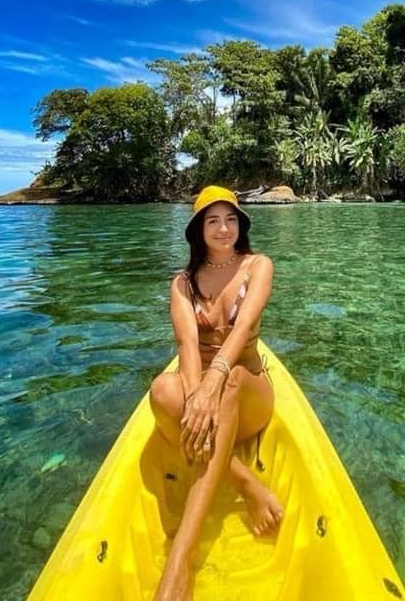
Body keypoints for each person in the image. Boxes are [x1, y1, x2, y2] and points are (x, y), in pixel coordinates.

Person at [149, 186, 284, 601]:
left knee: (228, 382)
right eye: (212, 221)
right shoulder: (183, 284)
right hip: (207, 395)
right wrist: (195, 401)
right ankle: (243, 479)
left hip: (249, 390)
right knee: (160, 391)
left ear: (240, 225)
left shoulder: (258, 265)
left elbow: (241, 331)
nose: (223, 228)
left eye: (230, 219)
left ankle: (179, 565)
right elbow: (188, 347)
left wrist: (213, 383)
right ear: (198, 231)